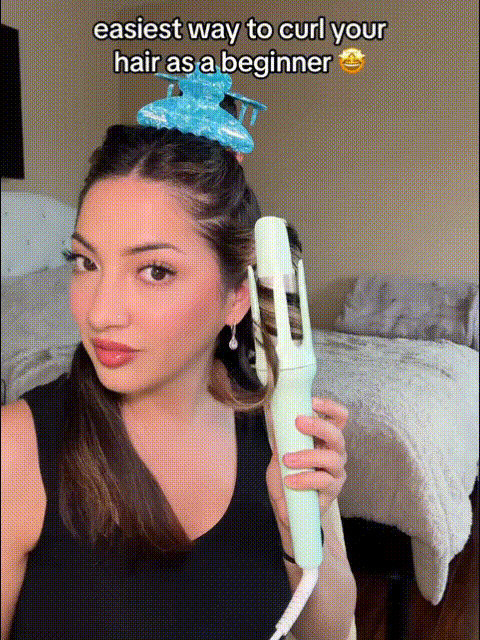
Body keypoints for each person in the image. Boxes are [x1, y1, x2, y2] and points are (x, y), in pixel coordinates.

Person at [1, 123, 356, 640]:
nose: (99, 313)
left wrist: (297, 529)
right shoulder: (16, 449)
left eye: (155, 271)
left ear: (237, 297)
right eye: (86, 262)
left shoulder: (281, 429)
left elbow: (329, 630)